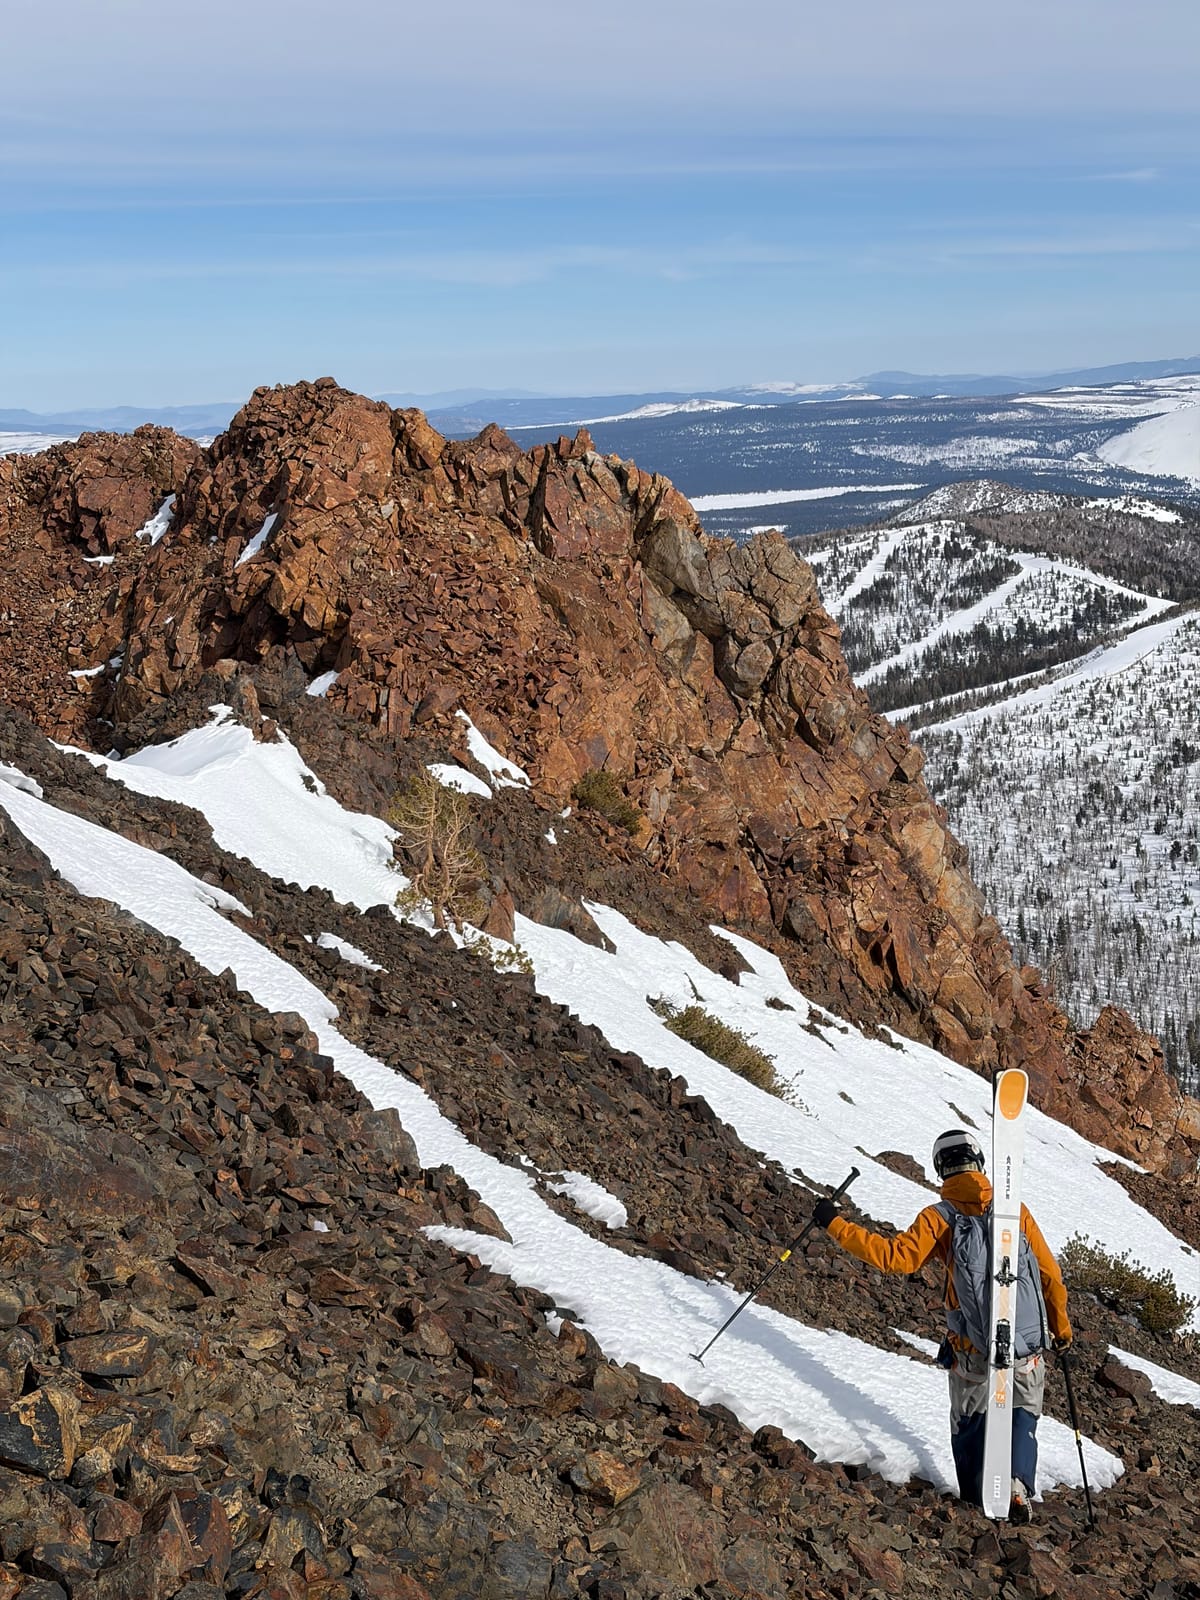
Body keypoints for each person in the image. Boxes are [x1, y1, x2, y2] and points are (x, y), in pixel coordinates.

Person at [813, 1127, 1072, 1523]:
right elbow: (1050, 1276)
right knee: (1022, 1411)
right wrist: (1062, 1331)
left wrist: (835, 1224)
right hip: (1024, 1348)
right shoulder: (1015, 1211)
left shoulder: (940, 1217)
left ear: (941, 1169)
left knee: (969, 1420)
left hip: (972, 1349)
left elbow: (895, 1258)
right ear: (980, 1162)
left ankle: (975, 1498)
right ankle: (1017, 1485)